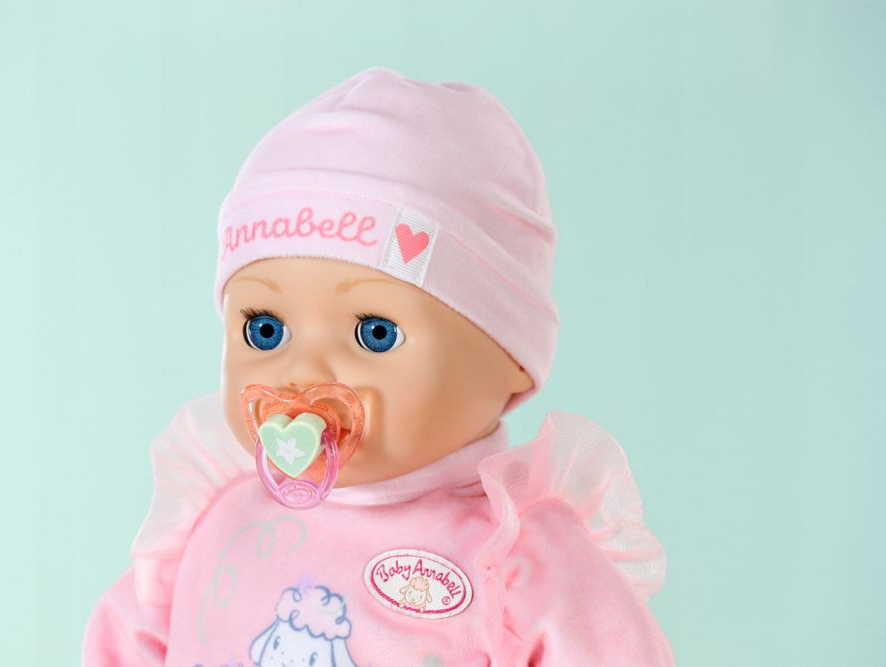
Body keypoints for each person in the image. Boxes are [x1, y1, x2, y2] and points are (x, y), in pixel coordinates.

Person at [82, 66, 675, 666]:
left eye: (375, 334)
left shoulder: (515, 558)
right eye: (266, 330)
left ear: (510, 361)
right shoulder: (211, 526)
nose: (303, 371)